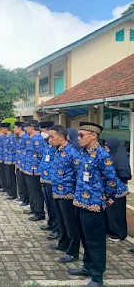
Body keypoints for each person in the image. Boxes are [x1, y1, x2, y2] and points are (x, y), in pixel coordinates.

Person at [68, 122, 119, 287]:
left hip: (94, 205)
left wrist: (110, 197)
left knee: (96, 241)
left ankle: (97, 276)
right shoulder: (82, 153)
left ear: (93, 135)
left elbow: (112, 180)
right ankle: (87, 266)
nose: (78, 138)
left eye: (81, 135)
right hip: (80, 202)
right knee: (84, 237)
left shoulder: (102, 155)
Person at [48, 125, 80, 264]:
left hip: (68, 194)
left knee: (70, 223)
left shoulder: (72, 153)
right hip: (57, 192)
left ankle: (73, 252)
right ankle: (63, 243)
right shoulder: (57, 151)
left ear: (61, 137)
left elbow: (78, 174)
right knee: (61, 221)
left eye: (52, 137)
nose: (50, 140)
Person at [104, 137, 130, 242]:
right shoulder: (110, 156)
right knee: (110, 213)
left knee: (117, 213)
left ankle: (119, 233)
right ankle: (111, 230)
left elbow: (124, 174)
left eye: (107, 146)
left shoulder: (119, 158)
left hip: (118, 191)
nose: (105, 147)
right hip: (110, 190)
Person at [38, 121, 59, 240]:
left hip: (52, 180)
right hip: (45, 179)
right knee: (49, 205)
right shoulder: (47, 146)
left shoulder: (57, 149)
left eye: (51, 137)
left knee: (54, 206)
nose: (49, 139)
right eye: (49, 136)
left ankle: (57, 228)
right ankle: (51, 223)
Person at [22, 120, 45, 221]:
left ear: (31, 127)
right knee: (31, 190)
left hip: (34, 170)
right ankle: (33, 208)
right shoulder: (31, 138)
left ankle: (39, 212)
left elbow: (41, 154)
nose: (26, 129)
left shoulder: (37, 139)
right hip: (28, 169)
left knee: (36, 192)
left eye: (27, 127)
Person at [14, 122, 30, 207]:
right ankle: (22, 197)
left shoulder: (25, 137)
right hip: (19, 162)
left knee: (24, 182)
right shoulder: (19, 137)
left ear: (20, 128)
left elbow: (27, 152)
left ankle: (26, 200)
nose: (14, 130)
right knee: (19, 181)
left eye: (15, 128)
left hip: (24, 163)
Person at [2, 122, 17, 200]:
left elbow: (14, 149)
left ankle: (13, 193)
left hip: (11, 160)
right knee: (7, 176)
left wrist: (12, 159)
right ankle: (9, 191)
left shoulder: (12, 137)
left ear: (5, 129)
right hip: (6, 159)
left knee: (11, 177)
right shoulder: (6, 137)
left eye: (3, 129)